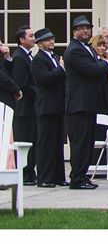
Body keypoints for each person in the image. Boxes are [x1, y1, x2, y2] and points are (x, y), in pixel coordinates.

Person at [63, 15, 108, 189]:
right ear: (74, 31)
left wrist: (106, 63)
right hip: (79, 104)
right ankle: (77, 178)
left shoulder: (87, 49)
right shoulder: (75, 50)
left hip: (88, 103)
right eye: (81, 28)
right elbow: (92, 69)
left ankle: (82, 175)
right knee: (80, 142)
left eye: (88, 28)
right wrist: (107, 63)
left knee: (87, 142)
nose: (85, 31)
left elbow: (98, 66)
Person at [30, 27, 66, 187]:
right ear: (39, 44)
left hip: (58, 106)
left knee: (57, 143)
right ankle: (44, 178)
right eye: (47, 40)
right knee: (45, 144)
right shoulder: (38, 60)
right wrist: (61, 69)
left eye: (52, 38)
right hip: (46, 107)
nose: (51, 41)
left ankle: (58, 176)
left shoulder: (55, 57)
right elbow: (44, 79)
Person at [10, 26, 37, 185]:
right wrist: (39, 91)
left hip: (30, 107)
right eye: (31, 36)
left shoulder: (28, 56)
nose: (33, 38)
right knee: (25, 140)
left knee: (32, 140)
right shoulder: (20, 57)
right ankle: (25, 173)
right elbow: (22, 84)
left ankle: (30, 172)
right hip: (24, 108)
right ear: (22, 39)